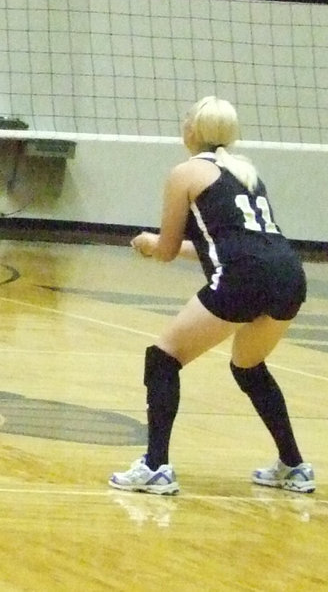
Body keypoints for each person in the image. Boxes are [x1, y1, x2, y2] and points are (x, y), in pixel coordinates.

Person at [110, 97, 314, 496]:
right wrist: (162, 244)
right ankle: (293, 465)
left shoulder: (185, 172)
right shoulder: (246, 172)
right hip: (289, 272)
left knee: (163, 358)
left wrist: (151, 243)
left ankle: (155, 467)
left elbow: (168, 250)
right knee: (249, 367)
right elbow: (223, 245)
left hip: (247, 275)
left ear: (192, 130)